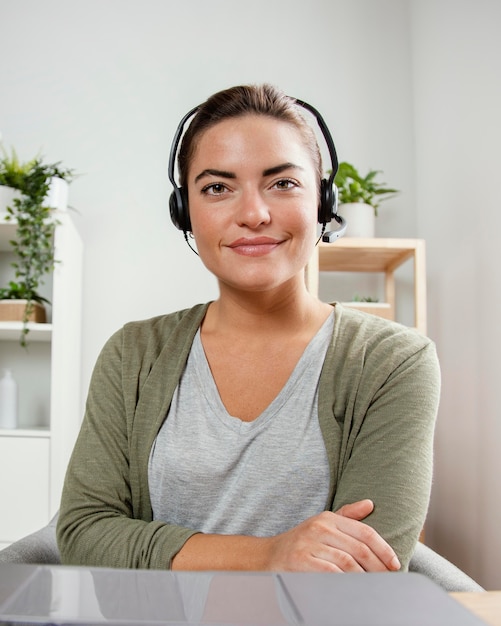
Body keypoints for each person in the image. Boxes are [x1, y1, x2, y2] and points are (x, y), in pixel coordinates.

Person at [57, 83, 440, 573]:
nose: (253, 214)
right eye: (218, 187)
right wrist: (270, 555)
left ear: (323, 203)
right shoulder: (134, 353)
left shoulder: (391, 362)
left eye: (282, 184)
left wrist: (160, 550)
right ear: (185, 214)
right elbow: (85, 532)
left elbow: (364, 564)